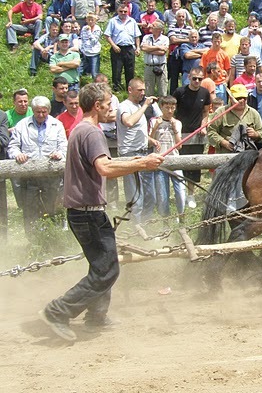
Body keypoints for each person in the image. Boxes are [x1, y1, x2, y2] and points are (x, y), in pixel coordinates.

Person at [39, 82, 163, 342]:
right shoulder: (92, 133)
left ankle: (96, 315)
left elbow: (105, 163)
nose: (112, 109)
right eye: (109, 104)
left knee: (103, 264)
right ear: (97, 105)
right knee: (107, 268)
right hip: (87, 212)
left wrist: (138, 162)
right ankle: (58, 311)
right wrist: (142, 163)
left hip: (83, 211)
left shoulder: (80, 129)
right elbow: (105, 169)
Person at [7, 96, 67, 237]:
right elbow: (13, 146)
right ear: (33, 111)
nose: (41, 115)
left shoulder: (56, 125)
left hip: (51, 175)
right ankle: (33, 239)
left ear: (49, 110)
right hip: (29, 177)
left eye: (44, 112)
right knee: (30, 209)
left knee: (52, 206)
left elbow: (64, 146)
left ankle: (54, 237)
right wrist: (18, 155)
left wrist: (59, 154)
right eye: (37, 112)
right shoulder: (22, 125)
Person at [117, 78, 159, 226]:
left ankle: (144, 227)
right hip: (130, 155)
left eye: (144, 90)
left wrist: (150, 140)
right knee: (136, 199)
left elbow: (137, 131)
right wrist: (145, 106)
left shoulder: (138, 107)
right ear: (130, 90)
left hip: (144, 153)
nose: (143, 93)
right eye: (139, 90)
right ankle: (134, 230)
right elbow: (128, 122)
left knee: (151, 197)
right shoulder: (124, 106)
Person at [173, 67, 212, 208]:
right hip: (181, 134)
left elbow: (206, 112)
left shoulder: (205, 93)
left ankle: (191, 194)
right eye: (194, 78)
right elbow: (171, 110)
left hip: (197, 135)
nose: (197, 81)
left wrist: (204, 125)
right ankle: (181, 193)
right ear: (189, 77)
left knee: (195, 165)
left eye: (200, 79)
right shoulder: (180, 92)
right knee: (180, 164)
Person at [149, 95, 185, 220]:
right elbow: (149, 142)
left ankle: (182, 216)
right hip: (160, 161)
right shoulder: (154, 121)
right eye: (167, 108)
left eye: (172, 108)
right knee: (162, 194)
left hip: (175, 160)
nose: (170, 111)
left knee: (180, 190)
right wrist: (155, 128)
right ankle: (166, 219)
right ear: (161, 107)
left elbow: (179, 146)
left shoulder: (177, 123)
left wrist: (175, 129)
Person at [208, 84, 262, 154]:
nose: (241, 100)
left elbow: (261, 132)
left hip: (247, 156)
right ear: (230, 98)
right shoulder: (221, 112)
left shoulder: (254, 113)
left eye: (244, 98)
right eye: (238, 98)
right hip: (225, 155)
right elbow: (211, 132)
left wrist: (256, 134)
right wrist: (224, 142)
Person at [104, 4, 142, 91]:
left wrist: (138, 47)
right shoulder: (113, 21)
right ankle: (116, 89)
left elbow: (137, 36)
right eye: (121, 11)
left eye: (125, 11)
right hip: (117, 48)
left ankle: (129, 89)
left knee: (130, 70)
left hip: (129, 48)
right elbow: (107, 35)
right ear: (118, 11)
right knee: (117, 70)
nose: (123, 13)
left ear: (128, 11)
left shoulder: (132, 21)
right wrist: (113, 45)